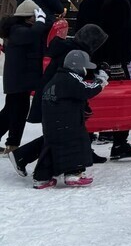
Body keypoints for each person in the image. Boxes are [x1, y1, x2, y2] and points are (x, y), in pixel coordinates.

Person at [9, 25, 109, 177]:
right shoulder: (73, 52)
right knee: (59, 135)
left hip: (53, 97)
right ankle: (24, 157)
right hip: (56, 100)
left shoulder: (69, 48)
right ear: (91, 42)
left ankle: (23, 157)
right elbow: (72, 83)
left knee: (60, 133)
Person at [74, 0, 131, 160]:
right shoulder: (122, 0)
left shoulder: (87, 2)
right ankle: (119, 142)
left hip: (88, 59)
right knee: (121, 101)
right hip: (115, 60)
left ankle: (85, 144)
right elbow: (127, 32)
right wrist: (128, 54)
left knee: (90, 100)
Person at [35, 49, 108, 189]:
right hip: (67, 122)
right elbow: (87, 89)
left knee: (51, 148)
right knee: (77, 144)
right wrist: (100, 81)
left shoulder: (56, 78)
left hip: (52, 122)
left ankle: (42, 178)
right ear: (77, 66)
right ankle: (74, 173)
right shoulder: (70, 78)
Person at [0, 0, 49, 153]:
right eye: (35, 16)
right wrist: (41, 21)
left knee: (13, 111)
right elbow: (32, 35)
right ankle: (13, 144)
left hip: (21, 79)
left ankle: (12, 143)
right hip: (18, 79)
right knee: (15, 112)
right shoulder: (18, 30)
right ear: (27, 16)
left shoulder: (21, 29)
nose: (38, 18)